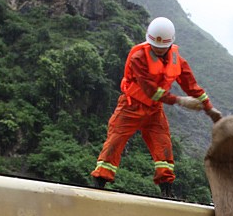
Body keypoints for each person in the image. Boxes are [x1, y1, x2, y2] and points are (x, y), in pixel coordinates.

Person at [91, 17, 222, 197]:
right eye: (155, 47)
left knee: (164, 147)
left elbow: (192, 85)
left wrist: (209, 108)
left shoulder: (177, 61)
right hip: (131, 107)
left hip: (154, 110)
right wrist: (181, 101)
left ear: (170, 44)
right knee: (115, 141)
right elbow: (151, 90)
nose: (158, 50)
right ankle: (100, 182)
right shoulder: (138, 58)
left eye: (162, 48)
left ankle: (167, 190)